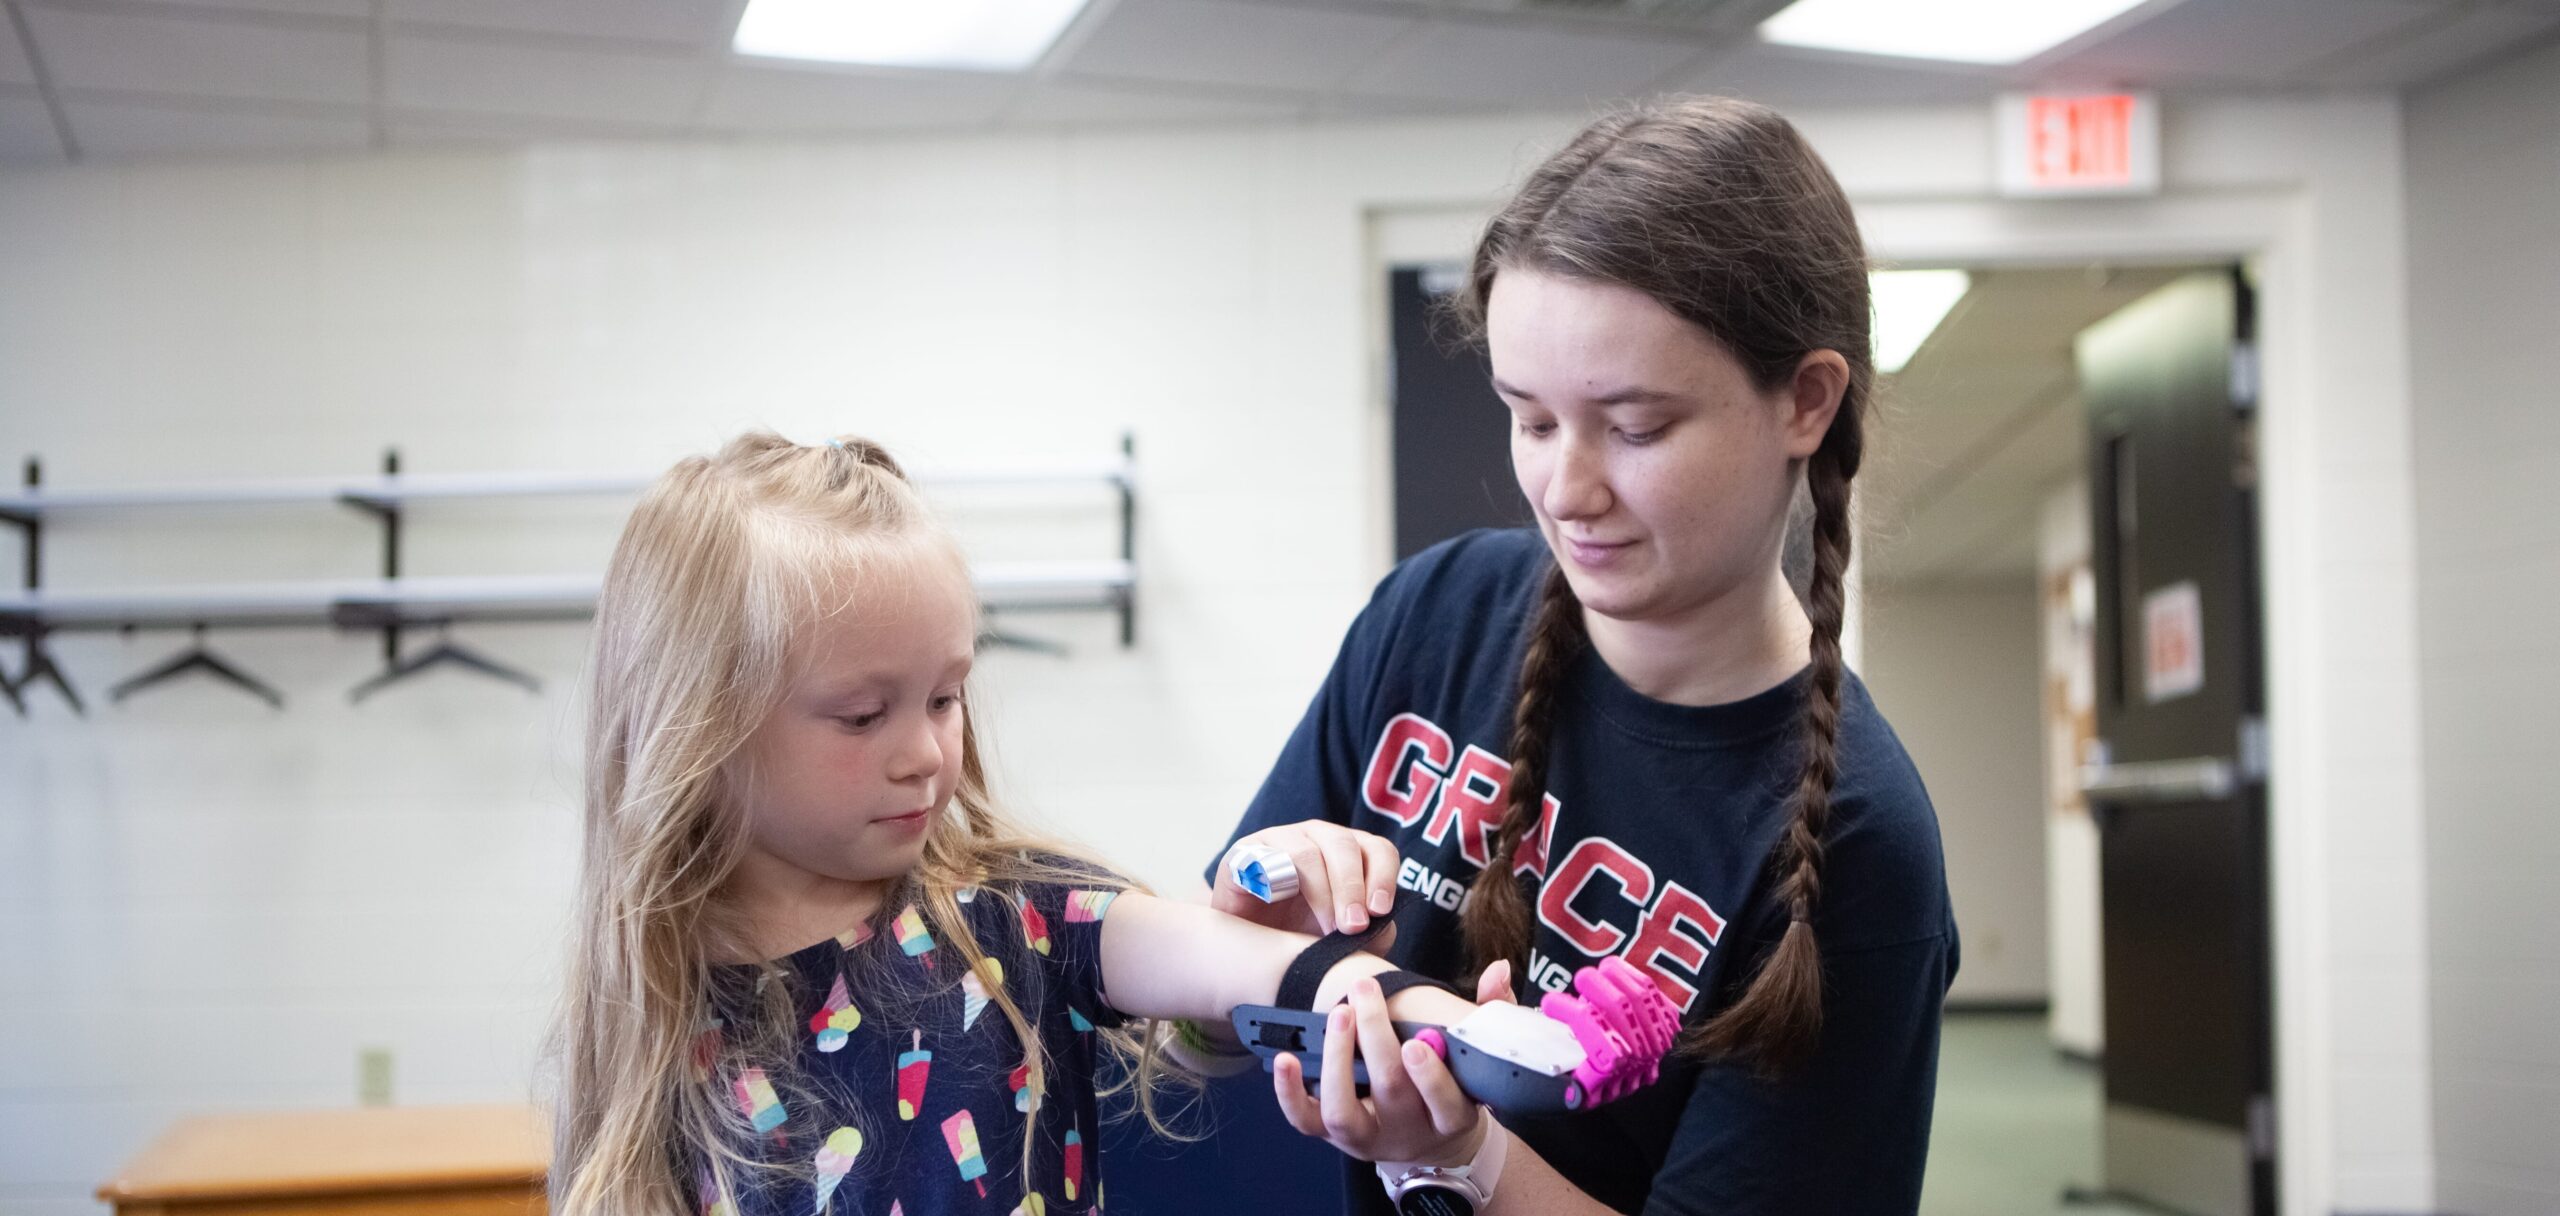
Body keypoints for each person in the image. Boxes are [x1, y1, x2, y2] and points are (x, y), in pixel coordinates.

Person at [1210, 96, 1958, 1215]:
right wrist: (1246, 935)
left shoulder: (1858, 840)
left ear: (1804, 400)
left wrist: (1460, 1159)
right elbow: (1188, 1035)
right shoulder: (1437, 610)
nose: (1566, 489)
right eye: (1531, 418)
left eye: (1637, 426)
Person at [546, 433, 1555, 1216]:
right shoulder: (655, 997)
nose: (926, 752)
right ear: (699, 728)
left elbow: (1257, 968)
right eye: (863, 714)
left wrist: (1465, 1025)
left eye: (945, 698)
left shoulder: (1018, 915)